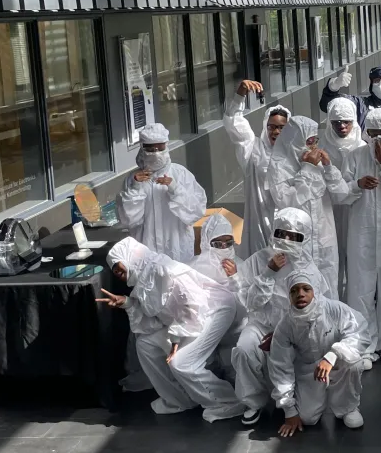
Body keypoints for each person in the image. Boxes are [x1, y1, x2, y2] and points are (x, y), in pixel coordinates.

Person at [101, 237, 245, 423]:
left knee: (182, 363)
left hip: (215, 309)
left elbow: (194, 304)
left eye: (120, 266)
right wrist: (127, 303)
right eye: (115, 271)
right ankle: (180, 398)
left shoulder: (163, 270)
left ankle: (228, 401)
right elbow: (153, 319)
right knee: (145, 344)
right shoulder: (142, 281)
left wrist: (176, 338)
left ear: (130, 258)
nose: (119, 273)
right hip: (189, 319)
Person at [230, 208, 337, 425]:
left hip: (295, 329)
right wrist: (268, 273)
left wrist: (282, 335)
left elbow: (318, 308)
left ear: (303, 238)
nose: (286, 240)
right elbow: (249, 303)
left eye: (294, 237)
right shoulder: (258, 260)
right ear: (273, 232)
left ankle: (296, 393)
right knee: (243, 349)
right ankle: (253, 401)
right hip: (260, 324)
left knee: (309, 414)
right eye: (282, 234)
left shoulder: (308, 266)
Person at [339, 107, 381, 363]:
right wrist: (357, 185)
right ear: (365, 132)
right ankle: (363, 341)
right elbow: (340, 193)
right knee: (360, 286)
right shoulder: (354, 156)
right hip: (360, 232)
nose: (378, 139)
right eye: (373, 133)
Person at [270, 270, 366, 437]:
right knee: (307, 419)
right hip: (309, 371)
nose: (300, 294)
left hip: (337, 362)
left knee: (354, 363)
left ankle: (347, 407)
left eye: (306, 289)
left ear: (315, 290)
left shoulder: (334, 309)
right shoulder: (285, 325)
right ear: (289, 295)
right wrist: (289, 410)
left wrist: (332, 355)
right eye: (294, 290)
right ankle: (319, 398)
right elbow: (280, 367)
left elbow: (359, 334)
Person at [268, 115, 350, 297]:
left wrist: (328, 167)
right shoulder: (279, 166)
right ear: (295, 140)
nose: (313, 146)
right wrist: (307, 169)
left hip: (324, 238)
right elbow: (287, 203)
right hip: (298, 242)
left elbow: (342, 194)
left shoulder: (319, 162)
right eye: (309, 141)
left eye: (315, 140)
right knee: (301, 290)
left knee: (329, 288)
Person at [116, 123, 207, 263]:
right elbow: (128, 220)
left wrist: (175, 189)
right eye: (150, 149)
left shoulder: (180, 174)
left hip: (177, 248)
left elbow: (196, 211)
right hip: (146, 249)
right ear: (142, 148)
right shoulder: (132, 179)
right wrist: (135, 188)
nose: (156, 152)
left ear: (166, 145)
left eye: (160, 147)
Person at [222, 80, 290, 259]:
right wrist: (240, 95)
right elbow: (234, 124)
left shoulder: (296, 155)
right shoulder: (254, 150)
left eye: (281, 127)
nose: (276, 132)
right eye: (272, 127)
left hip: (286, 228)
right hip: (259, 226)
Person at [321, 97, 365, 297]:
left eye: (346, 121)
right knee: (331, 258)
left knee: (356, 257)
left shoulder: (362, 147)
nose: (342, 126)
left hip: (357, 210)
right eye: (336, 122)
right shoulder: (321, 148)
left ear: (354, 121)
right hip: (328, 210)